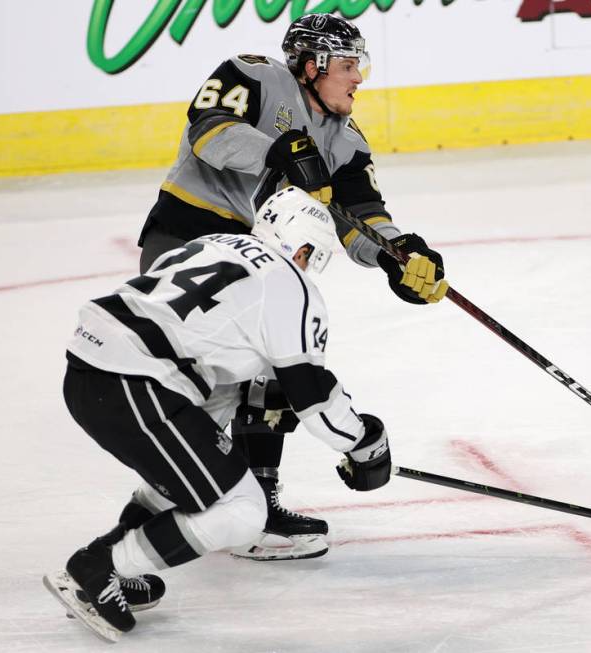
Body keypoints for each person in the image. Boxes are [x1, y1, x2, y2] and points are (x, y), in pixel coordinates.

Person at [132, 12, 447, 561]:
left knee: (280, 364)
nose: (359, 79)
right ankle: (165, 509)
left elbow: (362, 215)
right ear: (310, 66)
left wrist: (400, 255)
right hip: (188, 240)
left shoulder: (345, 138)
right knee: (197, 381)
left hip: (261, 259)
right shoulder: (255, 76)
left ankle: (256, 501)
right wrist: (278, 152)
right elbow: (207, 132)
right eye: (348, 66)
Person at [44, 187, 392, 643]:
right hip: (136, 380)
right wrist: (366, 443)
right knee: (243, 510)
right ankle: (100, 568)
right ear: (304, 247)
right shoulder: (291, 283)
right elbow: (314, 399)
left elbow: (229, 380)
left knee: (190, 477)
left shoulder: (212, 244)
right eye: (312, 257)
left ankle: (109, 559)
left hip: (92, 369)